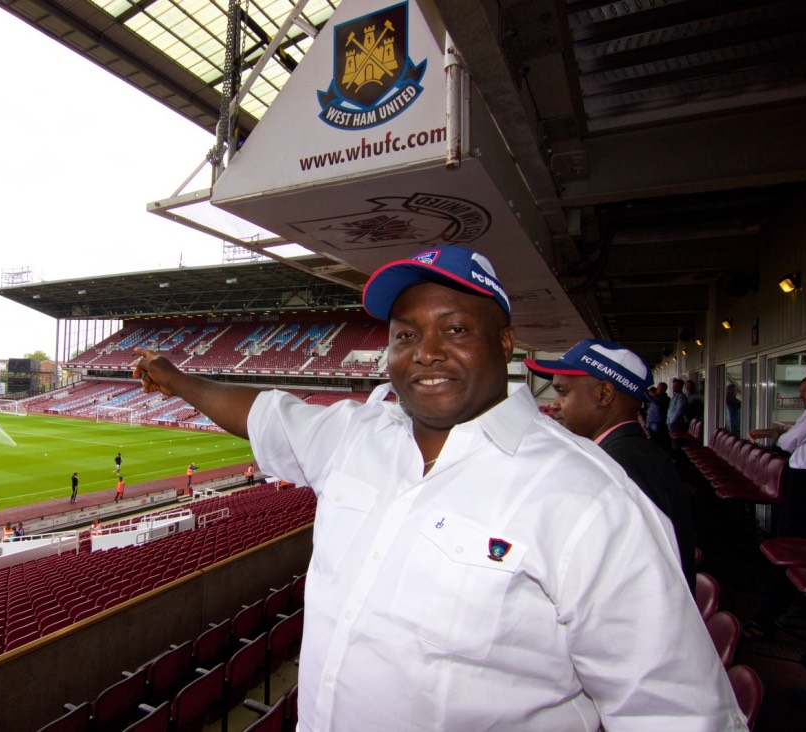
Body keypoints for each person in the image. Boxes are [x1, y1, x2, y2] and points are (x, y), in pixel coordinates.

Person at [132, 244, 742, 729]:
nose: (424, 353)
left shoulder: (590, 499)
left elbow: (680, 713)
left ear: (505, 343)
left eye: (454, 330)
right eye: (404, 334)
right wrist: (175, 378)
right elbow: (262, 412)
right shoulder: (355, 436)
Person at [526, 339, 697, 593]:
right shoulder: (632, 451)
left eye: (563, 392)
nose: (554, 404)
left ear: (604, 394)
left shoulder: (617, 467)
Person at [746, 357, 806, 637]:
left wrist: (788, 435)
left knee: (789, 550)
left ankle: (765, 619)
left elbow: (787, 443)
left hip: (805, 487)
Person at [645, 382, 671, 451]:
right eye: (657, 387)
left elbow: (656, 402)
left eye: (659, 388)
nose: (657, 389)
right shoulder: (656, 397)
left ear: (664, 389)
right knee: (650, 439)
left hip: (657, 422)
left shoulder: (666, 398)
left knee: (657, 440)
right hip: (650, 421)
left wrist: (646, 393)